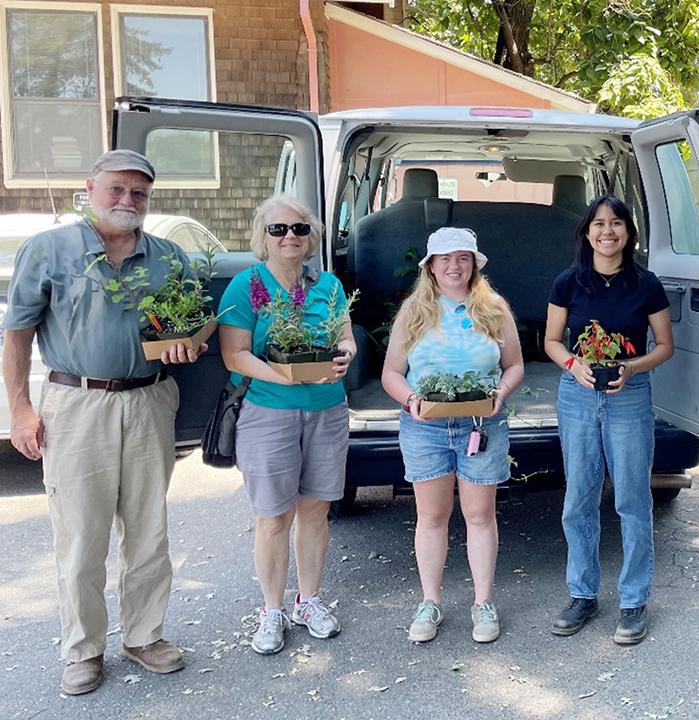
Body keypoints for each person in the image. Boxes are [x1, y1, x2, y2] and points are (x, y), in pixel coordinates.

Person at [2, 150, 200, 694]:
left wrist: (186, 346)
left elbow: (188, 326)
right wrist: (20, 408)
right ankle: (83, 650)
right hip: (76, 402)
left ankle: (144, 636)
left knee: (147, 530)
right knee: (81, 534)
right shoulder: (49, 250)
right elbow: (16, 333)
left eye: (138, 193)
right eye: (116, 189)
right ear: (90, 188)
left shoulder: (168, 256)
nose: (126, 201)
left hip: (149, 400)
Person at [217, 194, 356, 655]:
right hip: (268, 410)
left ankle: (309, 600)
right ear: (264, 237)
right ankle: (271, 609)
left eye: (298, 228)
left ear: (311, 236)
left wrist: (344, 358)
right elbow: (234, 353)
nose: (290, 237)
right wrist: (283, 373)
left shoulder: (329, 285)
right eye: (278, 230)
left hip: (327, 407)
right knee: (274, 516)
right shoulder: (246, 285)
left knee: (316, 509)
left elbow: (345, 338)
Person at [381, 227, 524, 645]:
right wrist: (411, 400)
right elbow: (391, 373)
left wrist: (501, 393)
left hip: (481, 424)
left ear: (474, 264)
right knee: (432, 516)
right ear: (430, 266)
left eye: (462, 257)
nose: (453, 266)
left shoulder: (494, 308)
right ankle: (430, 602)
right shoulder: (414, 311)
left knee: (480, 515)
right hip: (424, 427)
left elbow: (514, 366)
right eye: (444, 259)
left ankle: (483, 603)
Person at [543, 195, 674, 645]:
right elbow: (553, 341)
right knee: (579, 497)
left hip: (629, 396)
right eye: (598, 224)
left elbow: (664, 346)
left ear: (627, 232)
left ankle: (634, 602)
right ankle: (583, 594)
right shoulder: (567, 283)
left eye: (616, 223)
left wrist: (631, 367)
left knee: (633, 500)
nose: (607, 232)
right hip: (577, 396)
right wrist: (572, 365)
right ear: (586, 232)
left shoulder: (646, 284)